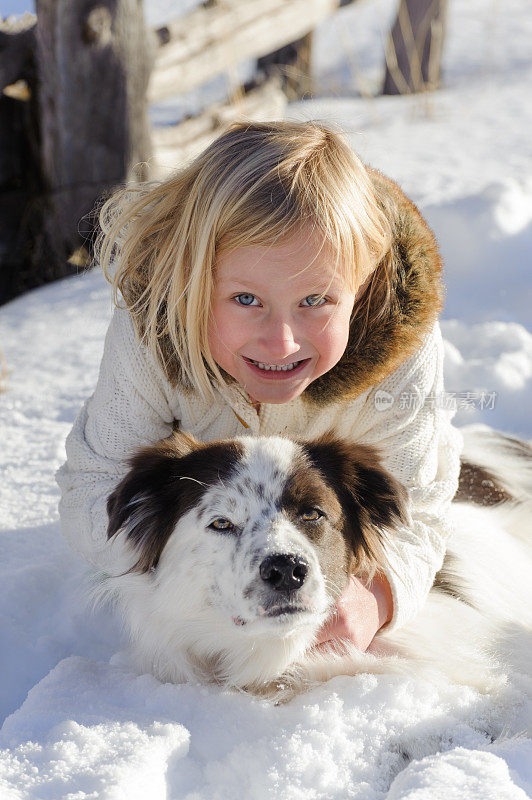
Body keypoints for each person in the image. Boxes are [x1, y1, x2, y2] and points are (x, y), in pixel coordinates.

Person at [56, 120, 463, 653]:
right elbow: (95, 489)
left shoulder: (398, 346)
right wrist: (186, 566)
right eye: (246, 300)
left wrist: (377, 595)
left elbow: (418, 507)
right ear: (192, 282)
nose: (281, 342)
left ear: (361, 291)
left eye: (316, 301)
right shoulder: (152, 331)